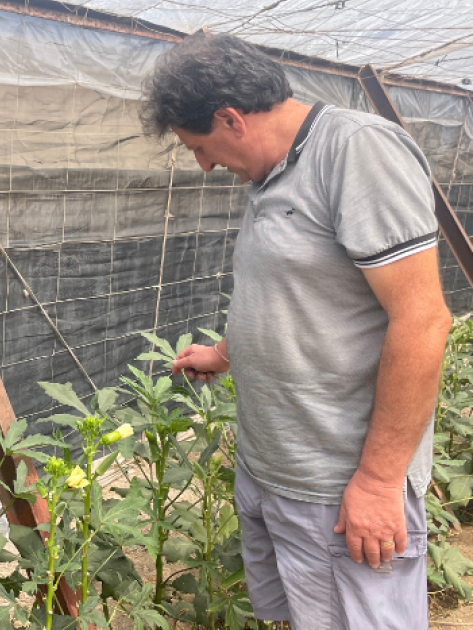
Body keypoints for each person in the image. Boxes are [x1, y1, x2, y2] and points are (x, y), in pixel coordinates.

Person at [140, 34, 451, 628]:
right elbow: (299, 290)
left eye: (200, 146)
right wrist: (229, 352)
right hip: (271, 465)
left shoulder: (357, 153)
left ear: (231, 118)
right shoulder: (269, 174)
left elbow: (423, 319)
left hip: (336, 484)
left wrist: (381, 481)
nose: (204, 165)